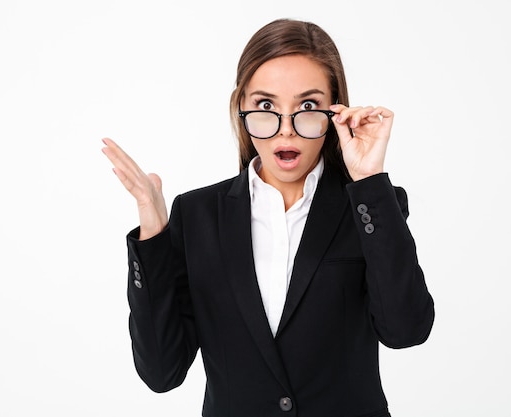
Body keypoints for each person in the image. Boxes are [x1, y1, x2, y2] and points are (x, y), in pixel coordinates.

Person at [102, 18, 434, 417]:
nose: (286, 131)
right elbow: (162, 373)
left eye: (308, 107)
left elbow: (406, 330)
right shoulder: (198, 215)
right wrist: (153, 235)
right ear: (240, 107)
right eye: (265, 106)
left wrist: (367, 179)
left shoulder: (369, 206)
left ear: (335, 111)